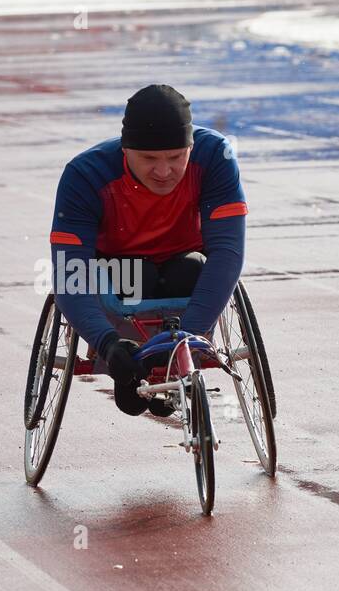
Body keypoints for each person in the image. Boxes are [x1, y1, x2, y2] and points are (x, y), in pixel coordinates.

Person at [48, 84, 247, 416]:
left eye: (175, 157)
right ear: (125, 150)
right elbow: (70, 274)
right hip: (121, 269)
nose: (164, 171)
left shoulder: (215, 156)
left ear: (191, 146)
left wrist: (190, 336)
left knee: (194, 269)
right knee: (140, 275)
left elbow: (227, 252)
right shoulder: (84, 175)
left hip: (183, 262)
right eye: (149, 159)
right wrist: (107, 343)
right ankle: (131, 366)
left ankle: (170, 360)